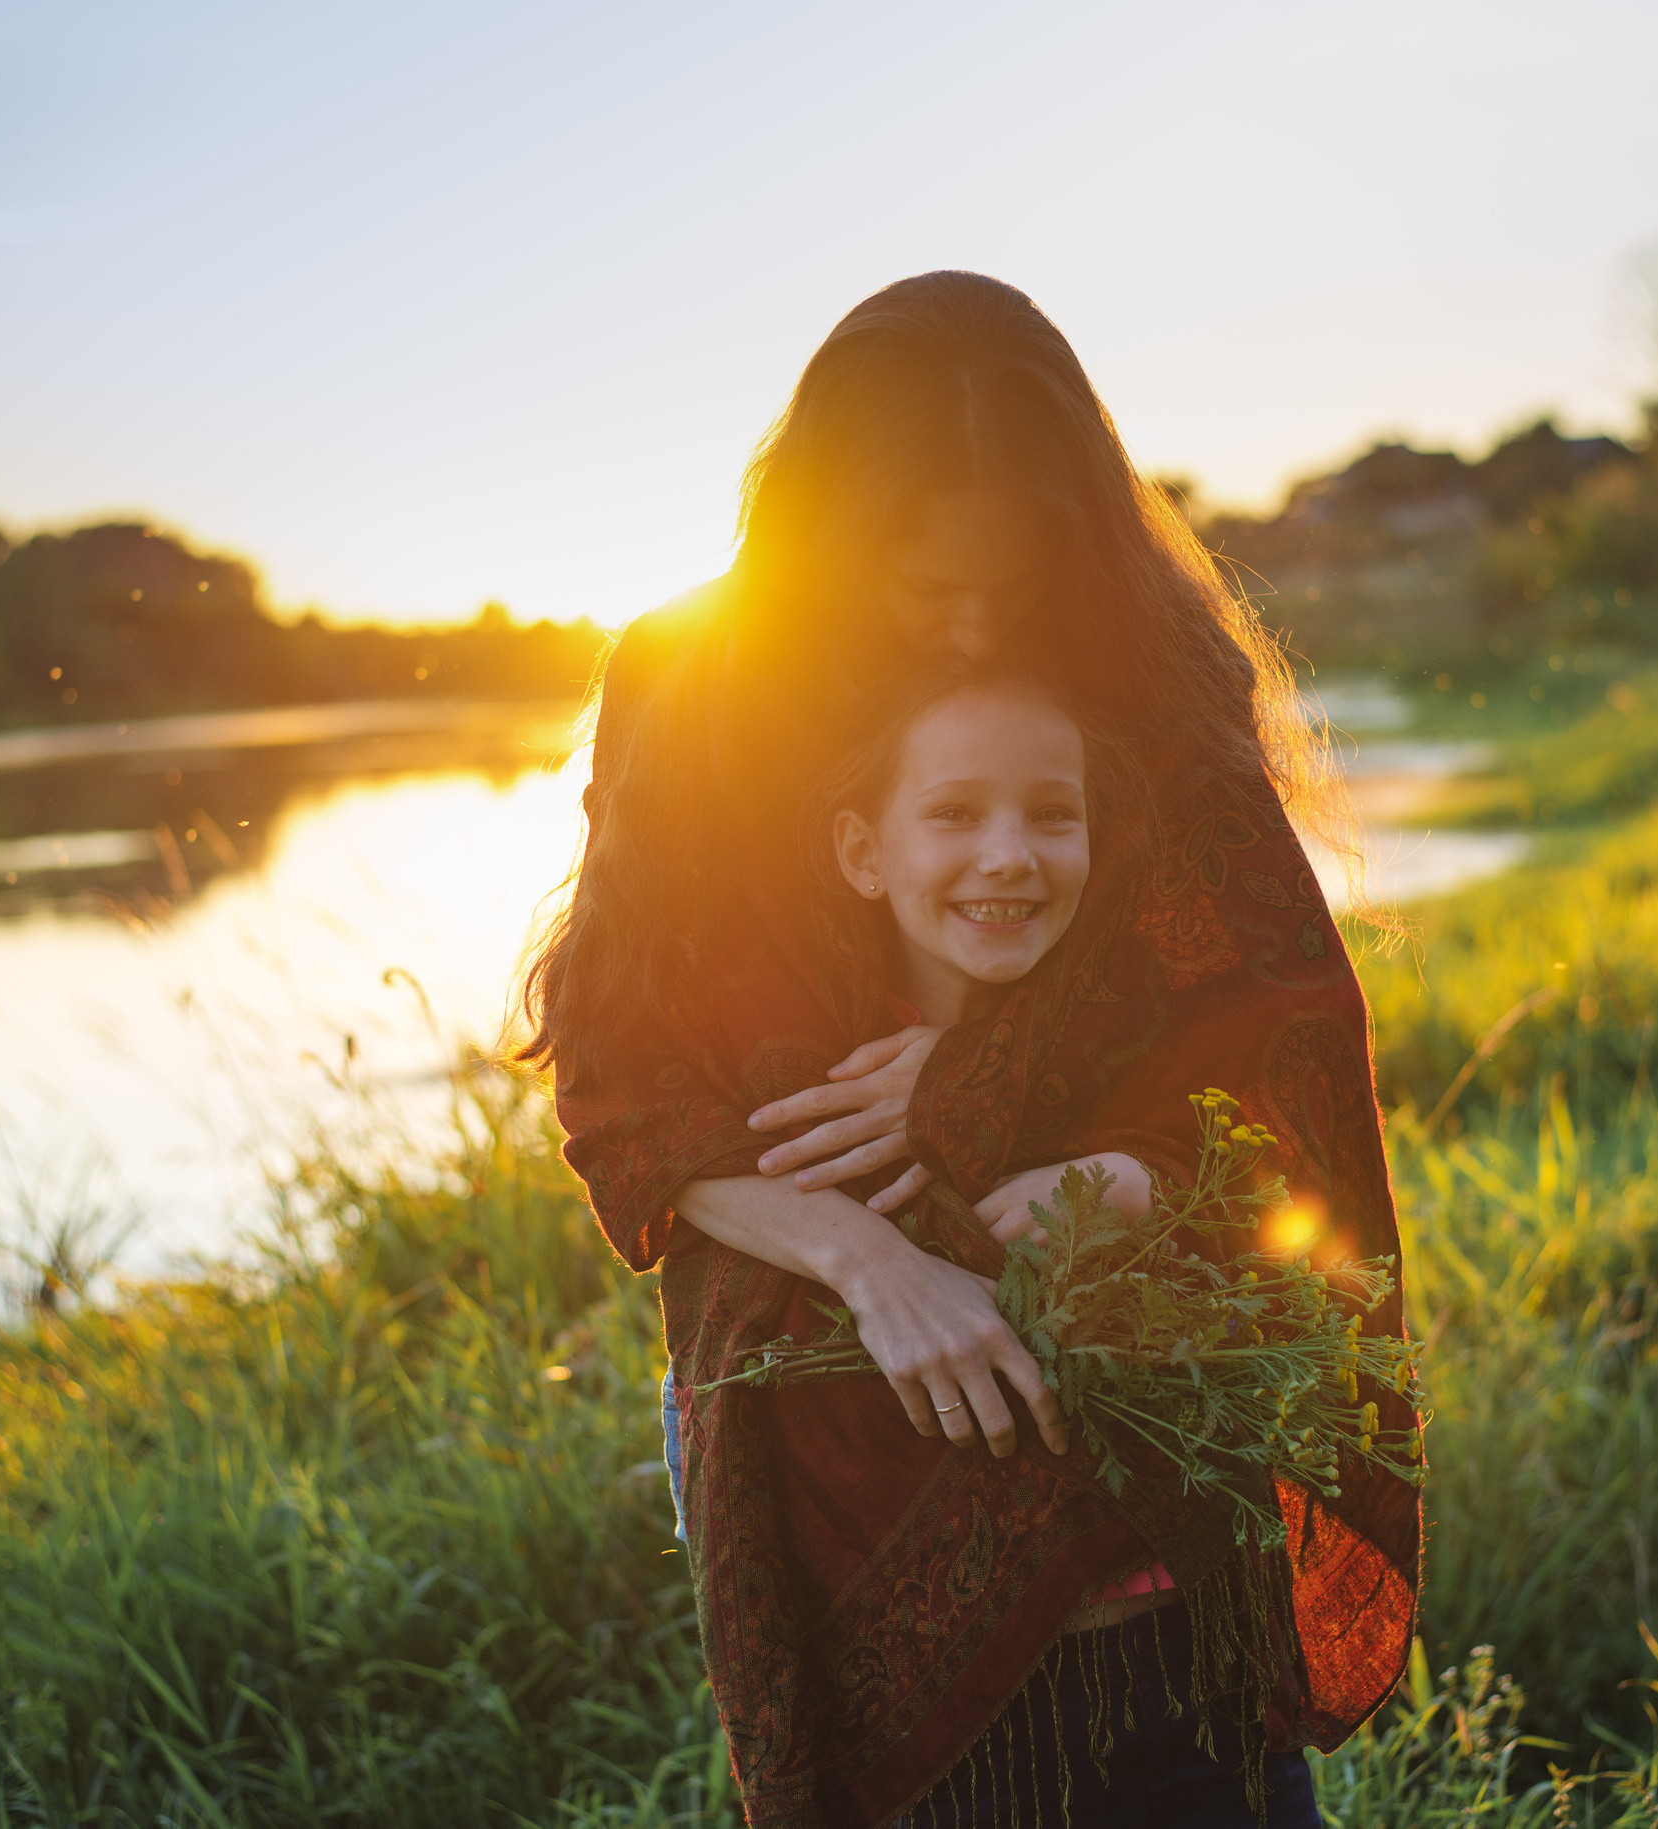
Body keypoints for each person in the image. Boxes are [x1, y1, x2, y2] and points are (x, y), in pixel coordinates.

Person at [518, 271, 1417, 1829]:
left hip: (1134, 1375)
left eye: (1008, 578)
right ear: (824, 536)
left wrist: (989, 1076)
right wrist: (872, 1261)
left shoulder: (1144, 668)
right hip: (816, 1413)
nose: (971, 620)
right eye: (923, 579)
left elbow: (1277, 1024)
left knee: (1195, 1773)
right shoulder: (687, 687)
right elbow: (622, 1080)